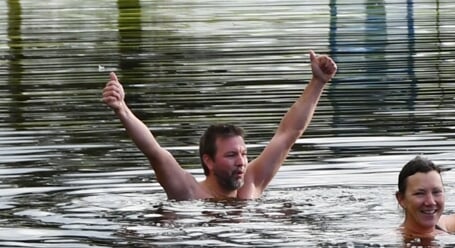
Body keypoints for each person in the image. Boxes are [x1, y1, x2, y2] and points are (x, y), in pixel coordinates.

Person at [102, 52, 338, 201]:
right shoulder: (189, 192)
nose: (242, 162)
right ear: (208, 161)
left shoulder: (251, 184)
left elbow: (288, 134)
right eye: (231, 155)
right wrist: (122, 110)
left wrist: (317, 83)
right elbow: (154, 151)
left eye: (244, 154)